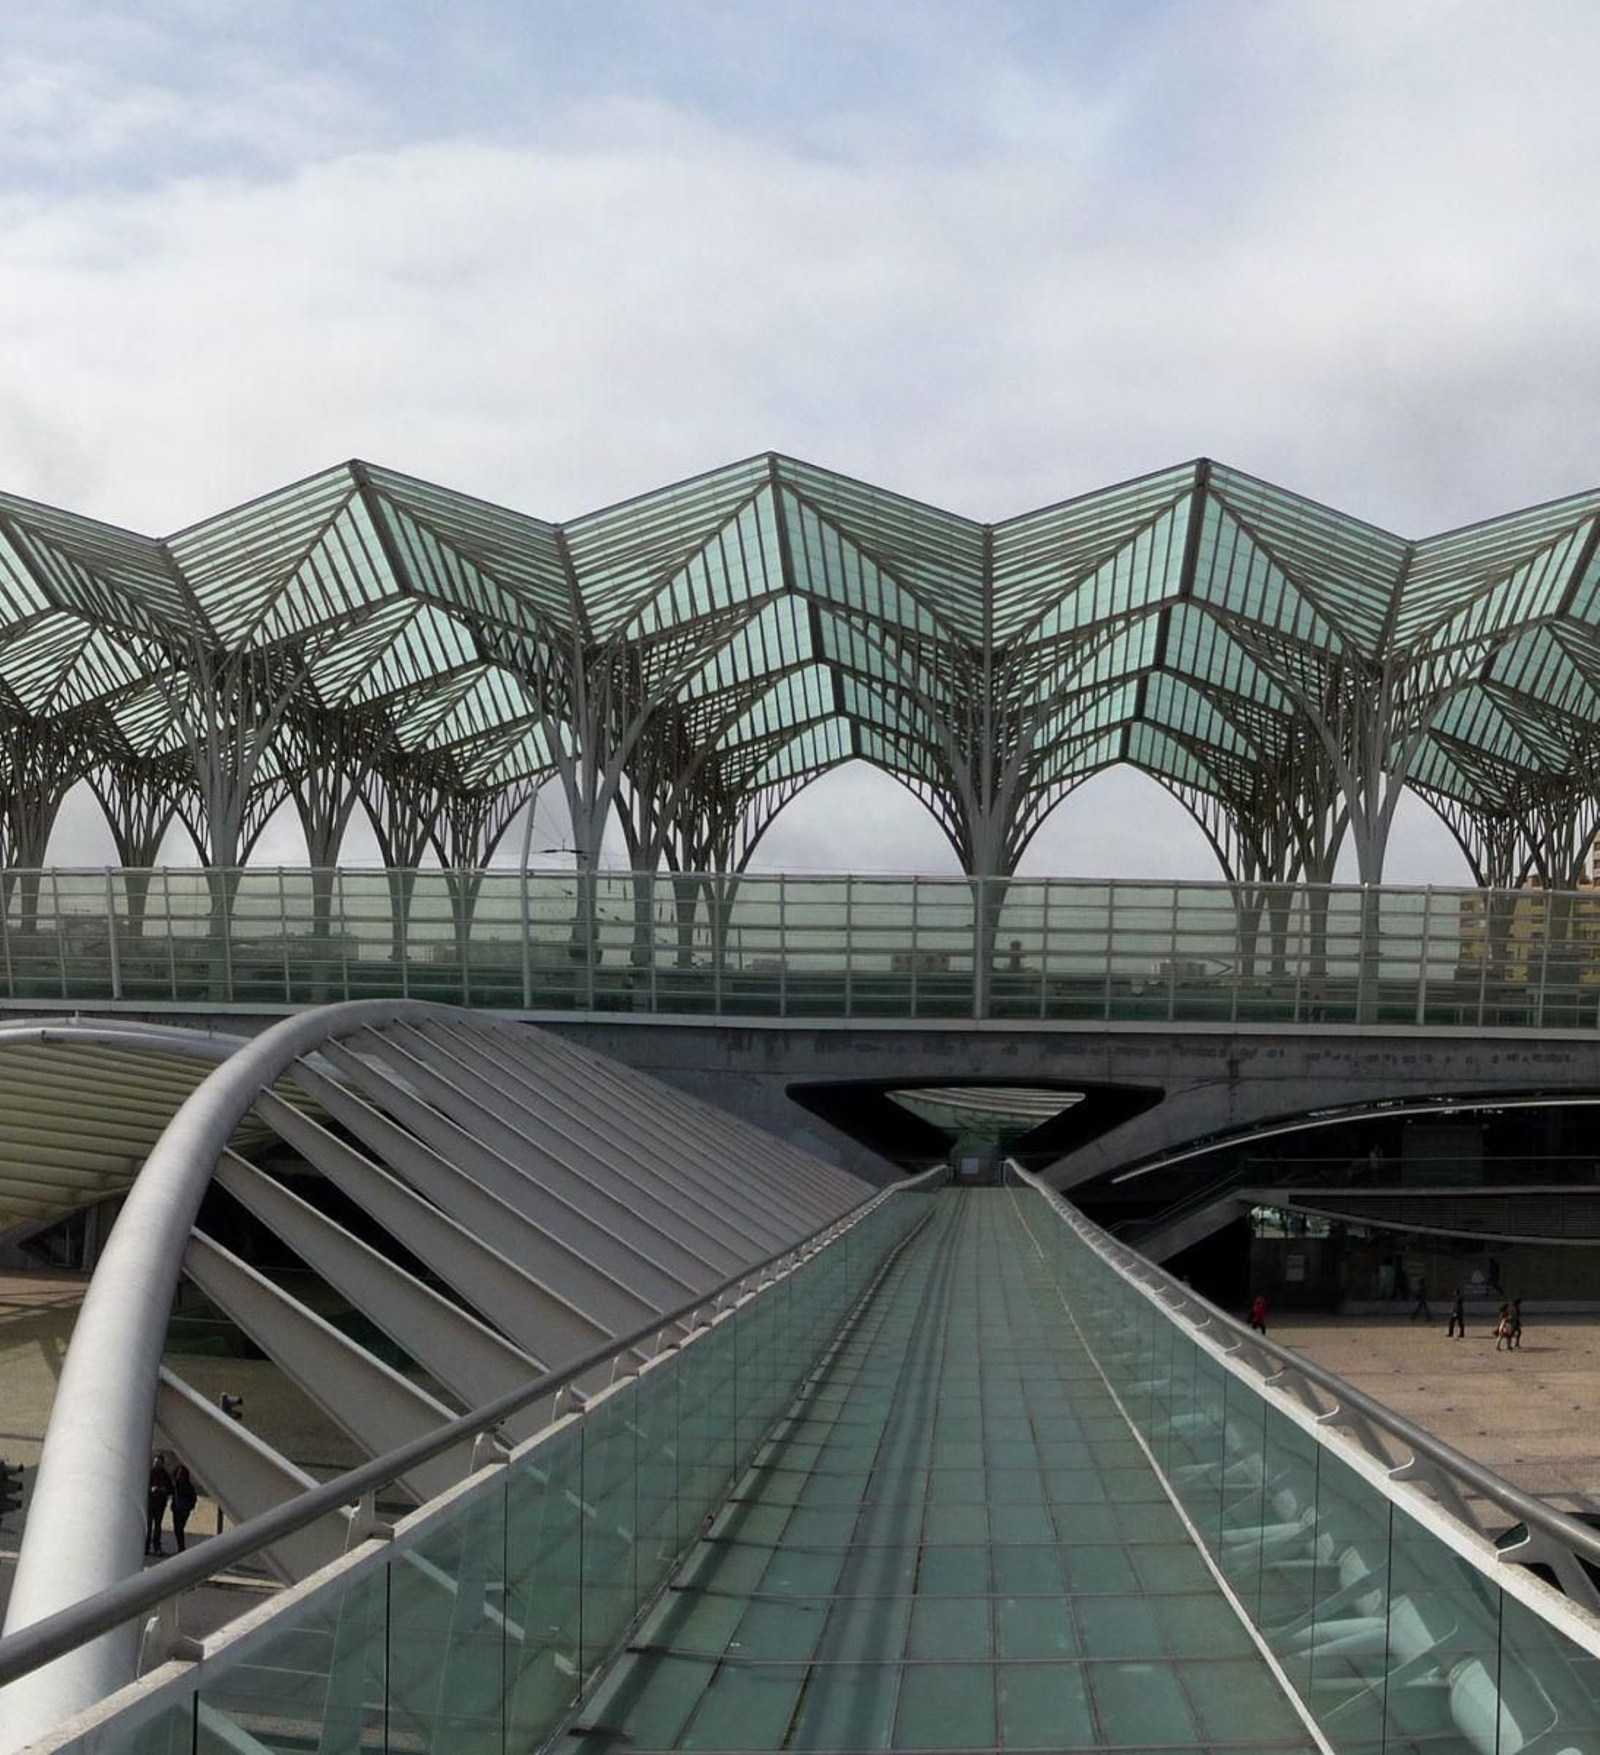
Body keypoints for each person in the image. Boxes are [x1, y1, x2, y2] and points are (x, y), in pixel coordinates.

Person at [146, 1453, 172, 1556]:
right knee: (148, 1526)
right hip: (150, 1503)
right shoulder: (149, 1473)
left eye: (159, 1463)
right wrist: (151, 1489)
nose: (157, 1464)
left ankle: (157, 1546)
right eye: (156, 1462)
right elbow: (142, 1486)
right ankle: (146, 1547)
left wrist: (163, 1489)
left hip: (160, 1504)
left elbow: (170, 1489)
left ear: (162, 1464)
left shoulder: (165, 1475)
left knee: (157, 1526)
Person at [170, 1462, 198, 1553]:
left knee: (179, 1528)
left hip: (184, 1510)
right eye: (178, 1473)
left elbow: (193, 1498)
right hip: (176, 1510)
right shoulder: (176, 1485)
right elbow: (173, 1495)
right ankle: (180, 1547)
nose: (180, 1475)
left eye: (181, 1474)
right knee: (177, 1529)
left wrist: (189, 1507)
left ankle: (181, 1548)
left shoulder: (188, 1486)